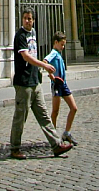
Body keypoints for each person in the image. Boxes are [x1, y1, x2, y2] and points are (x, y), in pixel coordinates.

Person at [9, 8, 73, 160]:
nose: (27, 21)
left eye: (30, 18)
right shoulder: (20, 35)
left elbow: (34, 55)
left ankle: (56, 145)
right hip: (23, 83)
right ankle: (14, 148)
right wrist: (44, 66)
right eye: (25, 18)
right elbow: (26, 56)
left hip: (34, 81)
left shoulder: (33, 33)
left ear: (33, 20)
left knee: (44, 115)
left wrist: (45, 73)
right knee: (20, 116)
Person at [44, 31, 78, 147]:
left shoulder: (58, 53)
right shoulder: (53, 53)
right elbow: (45, 62)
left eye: (64, 45)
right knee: (55, 111)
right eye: (62, 44)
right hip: (57, 85)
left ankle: (67, 133)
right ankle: (53, 137)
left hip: (64, 84)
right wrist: (50, 75)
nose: (63, 47)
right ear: (56, 42)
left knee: (73, 108)